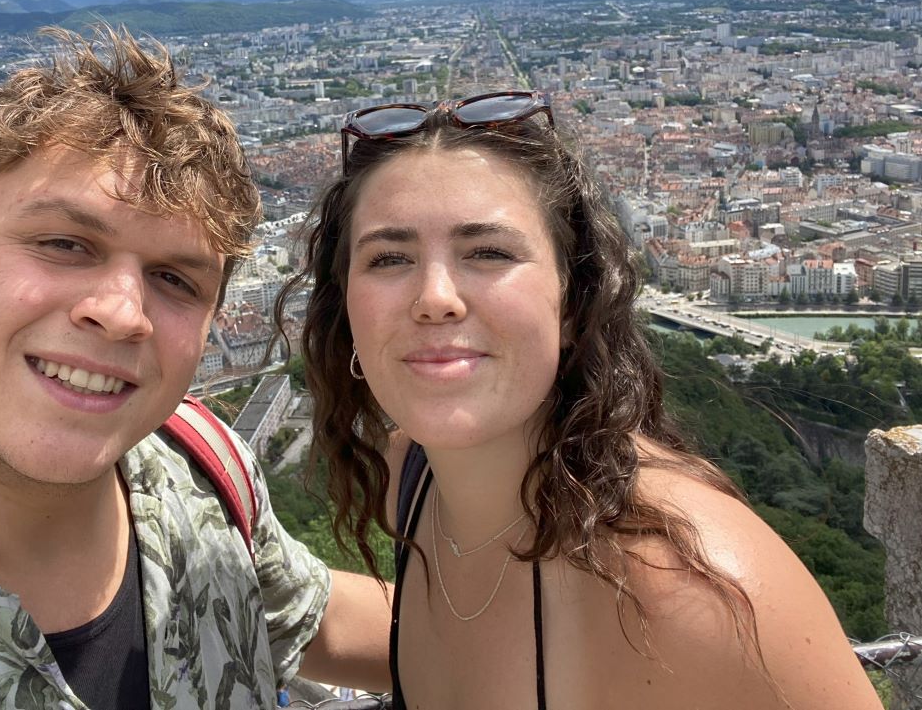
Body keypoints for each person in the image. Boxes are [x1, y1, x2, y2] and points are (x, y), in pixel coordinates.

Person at [279, 90, 882, 710]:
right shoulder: (413, 478)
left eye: (488, 253)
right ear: (346, 310)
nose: (435, 296)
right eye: (389, 257)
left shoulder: (691, 589)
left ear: (573, 303)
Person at [0, 27, 391, 709]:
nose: (122, 312)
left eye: (175, 279)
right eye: (63, 242)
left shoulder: (202, 472)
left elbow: (324, 619)